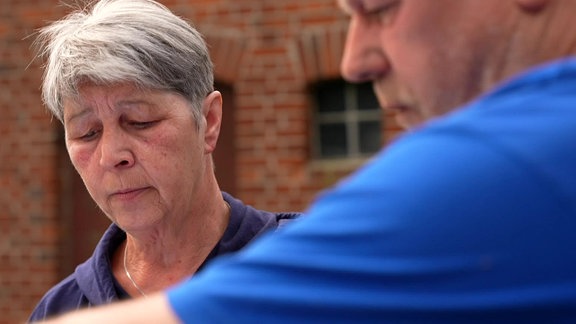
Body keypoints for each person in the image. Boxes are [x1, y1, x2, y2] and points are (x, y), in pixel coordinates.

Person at [36, 0, 576, 322]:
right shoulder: (60, 302)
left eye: (382, 8)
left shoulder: (509, 165)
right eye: (85, 132)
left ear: (211, 121)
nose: (354, 61)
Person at [28, 0, 300, 321]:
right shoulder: (60, 309)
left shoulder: (309, 267)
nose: (112, 156)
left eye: (140, 122)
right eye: (87, 133)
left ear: (209, 121)